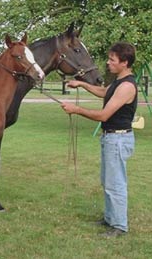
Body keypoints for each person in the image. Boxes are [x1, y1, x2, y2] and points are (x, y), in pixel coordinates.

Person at [61, 42, 137, 238]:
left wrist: (76, 109)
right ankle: (110, 218)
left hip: (118, 140)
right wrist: (82, 84)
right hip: (110, 139)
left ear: (124, 62)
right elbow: (104, 92)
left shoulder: (127, 86)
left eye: (112, 59)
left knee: (116, 184)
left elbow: (104, 115)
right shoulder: (119, 81)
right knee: (107, 181)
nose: (108, 62)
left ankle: (119, 225)